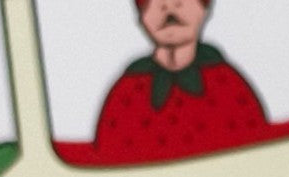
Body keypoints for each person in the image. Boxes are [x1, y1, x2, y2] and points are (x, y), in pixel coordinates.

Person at [93, 0, 269, 165]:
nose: (169, 6)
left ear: (204, 8)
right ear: (141, 16)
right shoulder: (127, 92)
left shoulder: (229, 86)